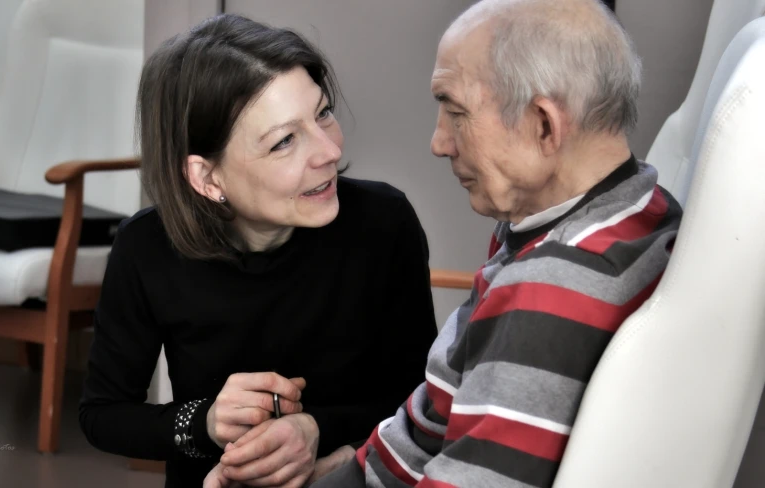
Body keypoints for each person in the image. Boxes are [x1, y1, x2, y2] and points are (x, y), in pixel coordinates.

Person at [204, 0, 683, 486]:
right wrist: (338, 467)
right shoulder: (641, 203)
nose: (439, 142)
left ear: (544, 125)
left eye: (455, 112)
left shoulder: (551, 288)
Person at [77, 13, 439, 488]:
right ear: (208, 178)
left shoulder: (384, 223)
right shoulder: (146, 248)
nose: (328, 151)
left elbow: (426, 400)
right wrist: (206, 422)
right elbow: (103, 415)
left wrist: (319, 432)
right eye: (284, 141)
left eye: (323, 113)